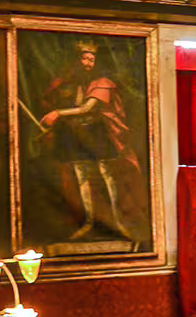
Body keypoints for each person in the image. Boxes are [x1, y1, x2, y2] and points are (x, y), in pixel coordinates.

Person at [36, 39, 138, 242]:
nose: (88, 63)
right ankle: (90, 222)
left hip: (97, 134)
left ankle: (117, 221)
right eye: (84, 58)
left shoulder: (103, 83)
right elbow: (55, 98)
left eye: (92, 60)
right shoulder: (70, 84)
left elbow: (86, 109)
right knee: (81, 176)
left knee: (106, 175)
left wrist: (57, 113)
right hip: (76, 136)